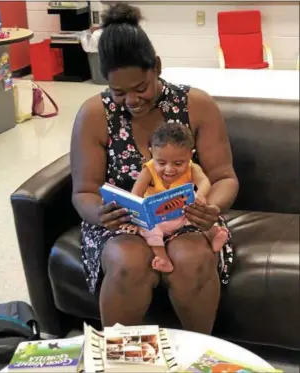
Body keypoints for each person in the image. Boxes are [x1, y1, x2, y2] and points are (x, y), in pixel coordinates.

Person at [71, 2, 239, 334]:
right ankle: (118, 361)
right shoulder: (94, 114)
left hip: (189, 216)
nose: (131, 100)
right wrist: (100, 213)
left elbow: (223, 177)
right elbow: (83, 191)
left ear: (157, 67)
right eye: (119, 92)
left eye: (141, 88)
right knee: (127, 261)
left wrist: (212, 207)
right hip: (121, 223)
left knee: (192, 259)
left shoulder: (197, 105)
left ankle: (197, 356)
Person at [120, 121, 229, 273]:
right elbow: (136, 194)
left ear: (190, 155)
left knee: (198, 216)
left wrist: (201, 195)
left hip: (182, 213)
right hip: (156, 218)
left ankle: (214, 235)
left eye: (178, 163)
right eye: (161, 162)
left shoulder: (192, 167)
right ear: (152, 153)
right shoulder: (149, 170)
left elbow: (204, 182)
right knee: (149, 229)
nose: (169, 170)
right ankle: (163, 259)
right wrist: (133, 218)